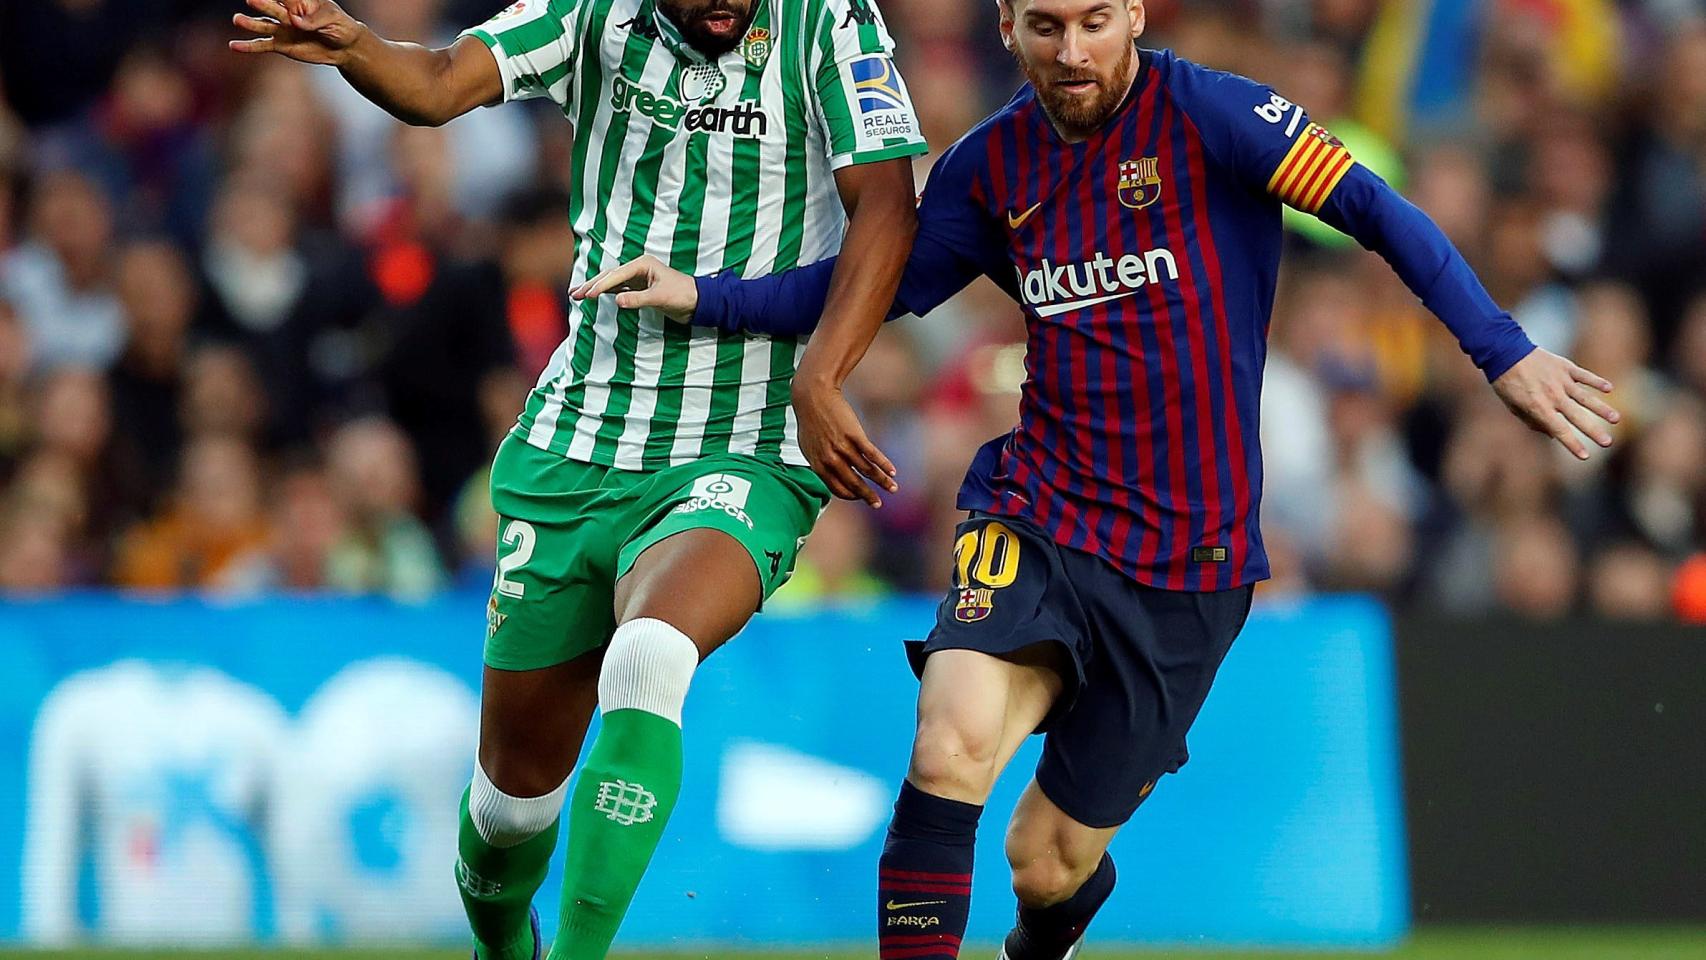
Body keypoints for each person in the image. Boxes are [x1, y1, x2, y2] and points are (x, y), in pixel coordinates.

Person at [571, 0, 1623, 955]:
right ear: (1005, 28)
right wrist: (703, 293)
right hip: (1036, 511)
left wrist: (1502, 352)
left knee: (1046, 862)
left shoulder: (1218, 119)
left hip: (1186, 563)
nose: (1068, 51)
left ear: (1130, 16)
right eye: (1042, 25)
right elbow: (871, 286)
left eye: (1089, 22)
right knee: (947, 746)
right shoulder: (991, 167)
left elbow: (1373, 208)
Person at [230, 0, 927, 956]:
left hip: (746, 439)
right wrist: (356, 46)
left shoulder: (829, 21)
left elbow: (888, 204)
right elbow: (436, 86)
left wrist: (822, 371)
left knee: (651, 654)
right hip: (580, 440)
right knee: (510, 808)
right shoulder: (588, 12)